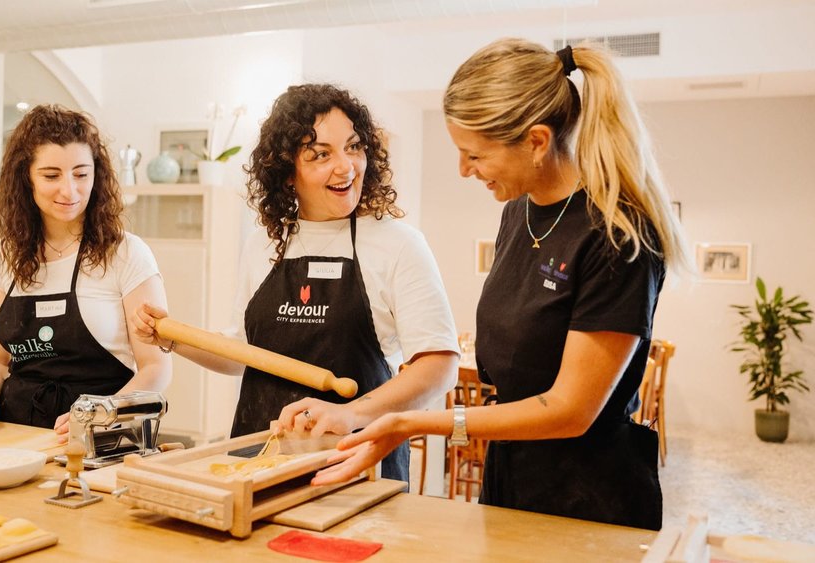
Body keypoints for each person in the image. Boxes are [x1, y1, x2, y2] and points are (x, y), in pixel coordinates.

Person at [310, 40, 689, 531]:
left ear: (536, 142)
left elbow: (570, 410)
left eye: (474, 155)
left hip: (590, 497)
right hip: (511, 476)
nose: (464, 170)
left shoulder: (617, 235)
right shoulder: (518, 213)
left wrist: (411, 422)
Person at [133, 84, 459, 483]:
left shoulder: (398, 244)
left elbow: (439, 366)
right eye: (321, 154)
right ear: (287, 172)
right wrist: (171, 338)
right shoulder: (265, 244)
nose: (346, 167)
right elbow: (244, 353)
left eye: (354, 147)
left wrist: (350, 413)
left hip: (355, 464)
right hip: (259, 459)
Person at [0, 104, 171, 435]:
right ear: (26, 178)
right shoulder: (6, 255)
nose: (69, 190)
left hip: (103, 439)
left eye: (81, 174)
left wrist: (101, 414)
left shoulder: (126, 254)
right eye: (51, 175)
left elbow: (156, 367)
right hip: (15, 435)